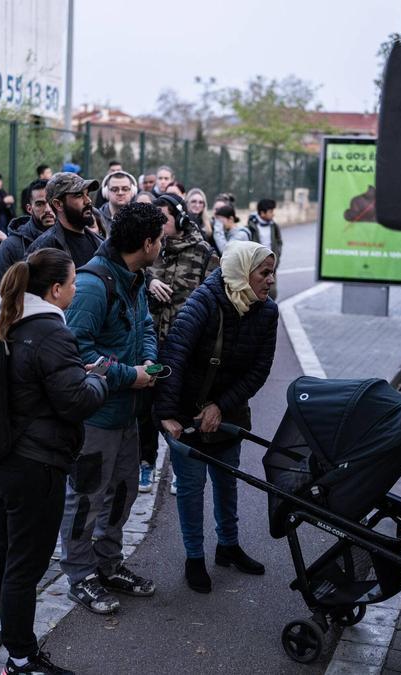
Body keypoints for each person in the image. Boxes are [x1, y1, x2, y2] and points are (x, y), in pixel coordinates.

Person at [0, 248, 106, 675]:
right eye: (74, 282)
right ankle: (22, 658)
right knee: (24, 563)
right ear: (56, 289)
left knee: (0, 546)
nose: (77, 289)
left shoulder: (2, 320)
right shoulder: (50, 333)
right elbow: (75, 400)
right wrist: (96, 378)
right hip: (34, 464)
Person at [157, 240, 278, 593]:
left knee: (227, 481)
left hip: (228, 410)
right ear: (242, 271)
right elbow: (174, 357)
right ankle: (194, 557)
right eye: (264, 272)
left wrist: (221, 405)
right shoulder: (203, 303)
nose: (270, 280)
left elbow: (259, 369)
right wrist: (167, 414)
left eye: (272, 272)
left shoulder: (266, 311)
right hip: (187, 412)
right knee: (192, 489)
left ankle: (228, 545)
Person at [60, 201, 162, 614]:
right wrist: (129, 375)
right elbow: (77, 351)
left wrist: (149, 364)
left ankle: (109, 564)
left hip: (128, 414)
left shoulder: (135, 278)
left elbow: (147, 326)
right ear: (146, 242)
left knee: (121, 493)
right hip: (97, 416)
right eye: (161, 240)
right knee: (86, 498)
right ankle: (79, 575)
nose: (163, 246)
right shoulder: (91, 284)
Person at [139, 193, 219, 493]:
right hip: (149, 343)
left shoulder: (203, 252)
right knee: (146, 410)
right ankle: (146, 464)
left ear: (181, 218)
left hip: (184, 348)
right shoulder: (148, 249)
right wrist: (150, 281)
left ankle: (179, 466)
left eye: (165, 219)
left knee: (180, 409)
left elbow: (214, 300)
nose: (159, 226)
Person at [0, 179, 54, 296]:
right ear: (29, 208)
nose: (48, 209)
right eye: (40, 204)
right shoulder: (11, 246)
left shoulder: (69, 237)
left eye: (51, 202)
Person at [26, 173, 104, 269]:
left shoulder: (99, 242)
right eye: (78, 195)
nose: (88, 200)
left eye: (87, 194)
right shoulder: (44, 249)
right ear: (58, 204)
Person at [248, 198, 283, 298]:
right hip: (256, 266)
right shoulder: (251, 227)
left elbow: (279, 242)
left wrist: (277, 257)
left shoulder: (274, 226)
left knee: (272, 292)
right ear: (262, 213)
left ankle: (270, 312)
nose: (273, 214)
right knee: (256, 293)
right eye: (271, 211)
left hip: (271, 265)